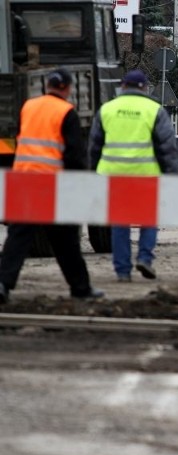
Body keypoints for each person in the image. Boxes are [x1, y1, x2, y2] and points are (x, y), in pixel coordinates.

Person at [0, 68, 103, 303]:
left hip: (25, 180)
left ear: (47, 86)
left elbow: (19, 139)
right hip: (51, 185)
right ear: (67, 88)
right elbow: (74, 155)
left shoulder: (29, 106)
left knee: (18, 237)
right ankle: (80, 288)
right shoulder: (66, 112)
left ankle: (3, 284)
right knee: (66, 240)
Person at [88, 69, 178, 282]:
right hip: (145, 176)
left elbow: (94, 146)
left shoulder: (107, 109)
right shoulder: (154, 110)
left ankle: (122, 271)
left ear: (123, 86)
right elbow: (167, 147)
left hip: (112, 177)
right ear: (144, 88)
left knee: (120, 224)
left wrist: (92, 174)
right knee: (149, 218)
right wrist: (171, 176)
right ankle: (145, 258)